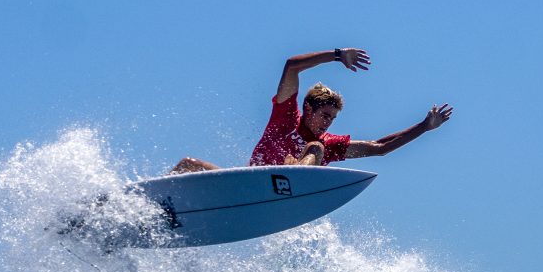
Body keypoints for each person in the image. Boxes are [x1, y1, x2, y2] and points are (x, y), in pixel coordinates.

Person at [170, 48, 452, 174]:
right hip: (249, 184)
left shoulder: (326, 145)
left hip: (288, 184)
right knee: (188, 164)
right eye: (325, 115)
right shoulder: (285, 119)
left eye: (332, 119)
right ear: (307, 108)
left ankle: (297, 180)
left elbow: (379, 147)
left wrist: (424, 127)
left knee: (317, 147)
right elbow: (291, 65)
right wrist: (338, 55)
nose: (328, 123)